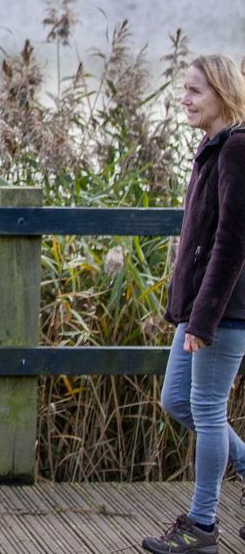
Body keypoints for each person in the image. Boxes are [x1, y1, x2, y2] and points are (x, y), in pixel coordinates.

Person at [143, 54, 245, 554]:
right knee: (177, 401)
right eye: (183, 89)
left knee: (206, 409)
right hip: (201, 308)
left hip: (224, 310)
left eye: (194, 92)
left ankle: (202, 526)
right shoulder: (213, 145)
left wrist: (202, 318)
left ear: (223, 95)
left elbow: (231, 243)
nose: (183, 99)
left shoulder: (238, 150)